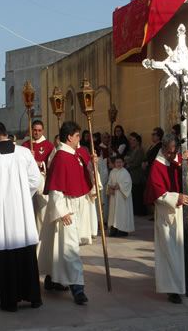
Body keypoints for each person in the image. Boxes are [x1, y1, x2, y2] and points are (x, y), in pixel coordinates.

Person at [0, 122, 42, 312]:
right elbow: (36, 180)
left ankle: (10, 302)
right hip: (23, 215)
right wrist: (21, 195)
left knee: (6, 258)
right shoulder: (24, 153)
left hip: (4, 215)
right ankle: (34, 298)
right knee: (27, 256)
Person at [41, 121, 97, 305]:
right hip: (67, 209)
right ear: (69, 137)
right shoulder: (61, 157)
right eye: (77, 136)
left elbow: (84, 178)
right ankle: (78, 288)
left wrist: (92, 166)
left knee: (60, 247)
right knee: (69, 248)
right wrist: (61, 211)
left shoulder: (76, 154)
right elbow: (56, 189)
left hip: (77, 205)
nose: (79, 139)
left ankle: (52, 279)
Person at [144, 133, 188, 304]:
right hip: (167, 215)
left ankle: (185, 282)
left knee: (184, 251)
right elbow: (157, 194)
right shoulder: (157, 166)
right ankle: (172, 289)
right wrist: (176, 198)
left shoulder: (178, 160)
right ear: (162, 148)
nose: (171, 155)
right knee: (170, 253)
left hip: (182, 213)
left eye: (174, 152)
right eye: (168, 152)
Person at [22, 120, 54, 233]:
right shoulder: (25, 145)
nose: (37, 133)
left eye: (39, 130)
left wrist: (40, 163)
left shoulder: (49, 146)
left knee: (42, 210)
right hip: (27, 181)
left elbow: (52, 164)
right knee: (28, 210)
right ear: (31, 131)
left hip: (42, 180)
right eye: (34, 130)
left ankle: (42, 234)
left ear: (43, 131)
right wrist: (28, 159)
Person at [107, 156, 134, 237]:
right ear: (114, 163)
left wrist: (120, 186)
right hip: (114, 197)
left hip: (122, 197)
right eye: (117, 162)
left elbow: (128, 184)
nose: (118, 164)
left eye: (120, 162)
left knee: (122, 213)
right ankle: (113, 229)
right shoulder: (112, 172)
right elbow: (109, 183)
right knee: (113, 213)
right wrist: (110, 188)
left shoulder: (125, 173)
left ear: (123, 163)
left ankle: (123, 230)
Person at [126, 132, 146, 216]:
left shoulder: (140, 151)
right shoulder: (133, 150)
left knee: (138, 193)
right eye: (131, 140)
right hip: (132, 175)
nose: (132, 142)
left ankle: (140, 211)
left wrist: (129, 165)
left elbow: (137, 162)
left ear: (138, 142)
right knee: (134, 193)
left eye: (134, 140)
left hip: (137, 175)